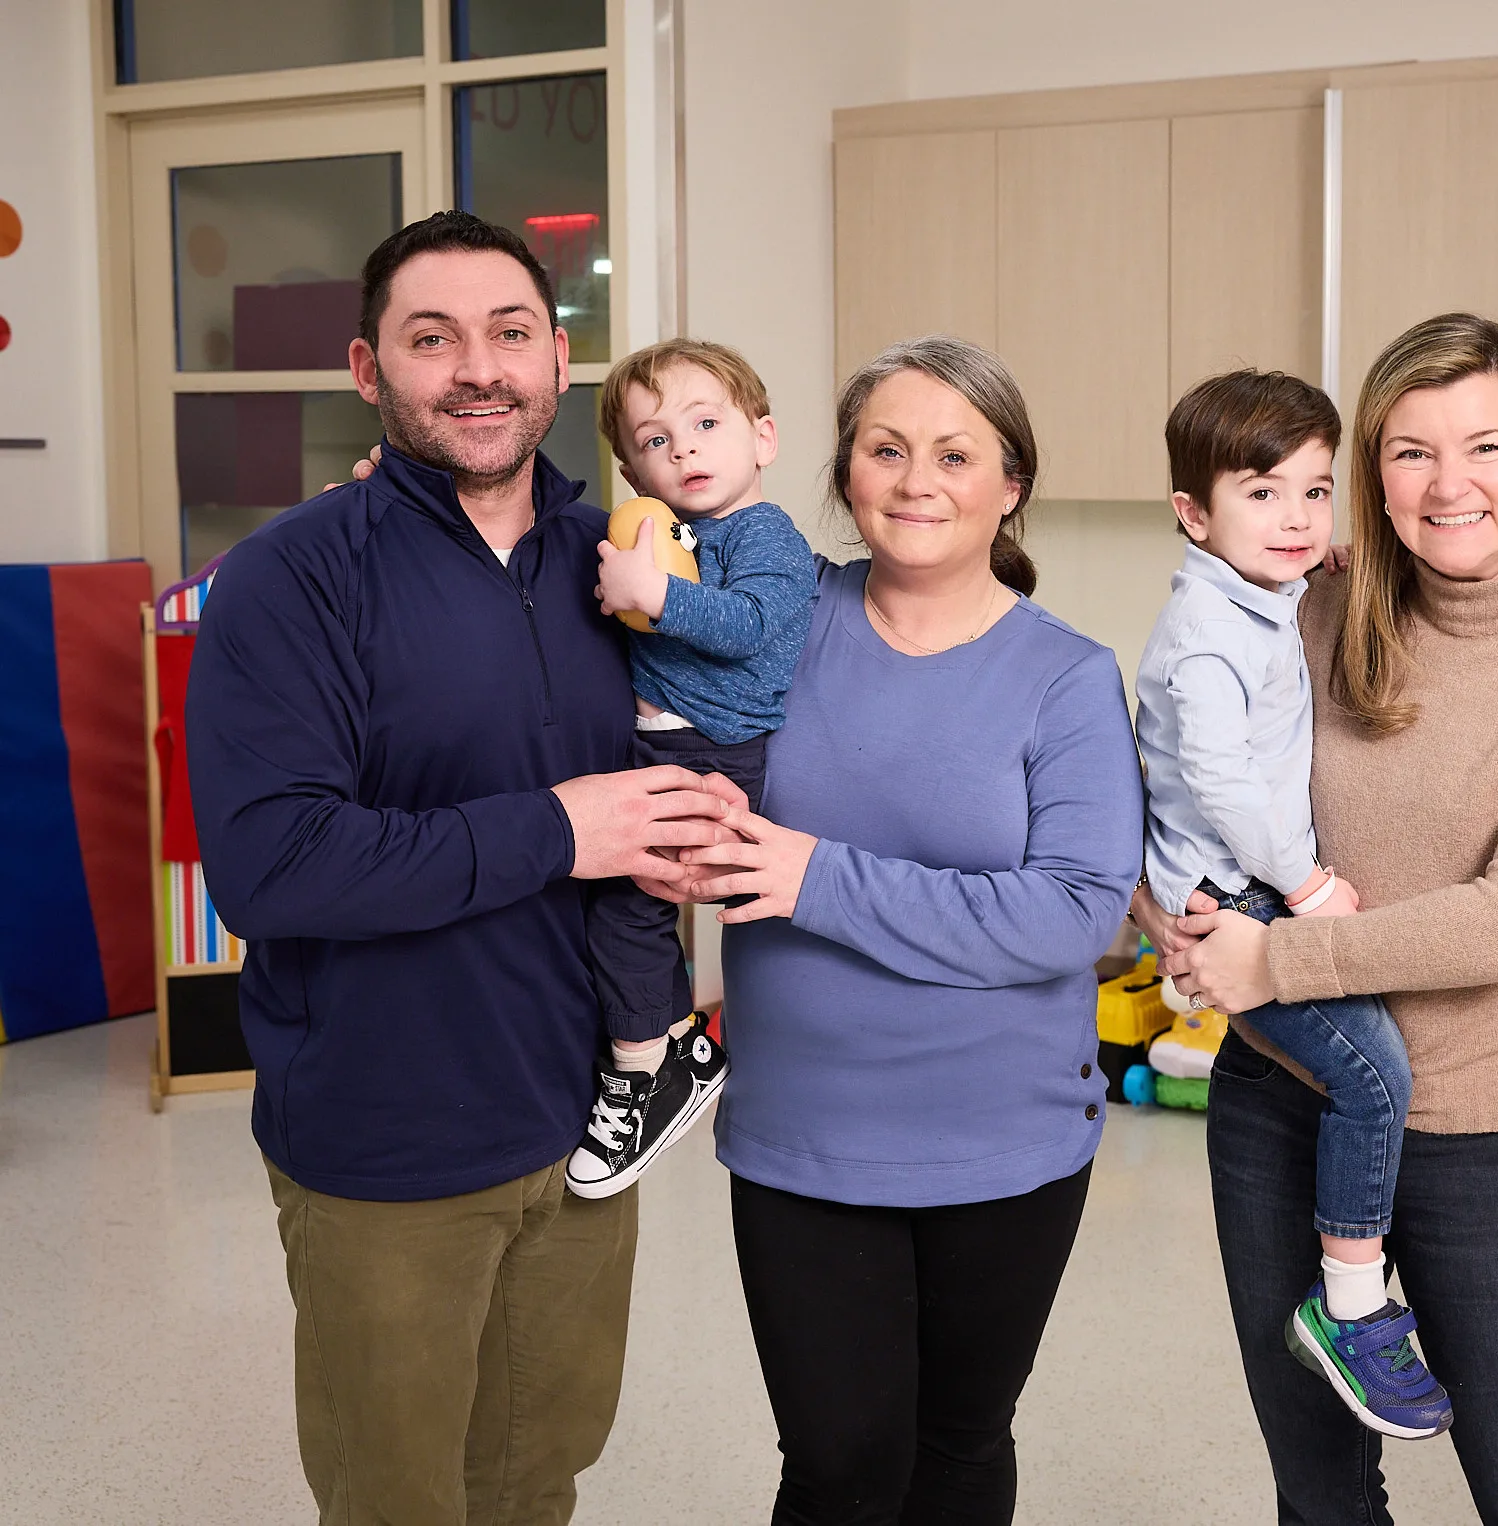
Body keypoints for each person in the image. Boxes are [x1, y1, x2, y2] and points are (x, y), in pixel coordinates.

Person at [185, 210, 735, 1525]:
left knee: (536, 1478)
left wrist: (697, 832)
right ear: (369, 369)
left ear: (559, 359)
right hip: (386, 1142)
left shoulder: (629, 567)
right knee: (397, 1499)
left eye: (508, 334)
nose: (476, 369)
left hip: (591, 1123)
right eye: (431, 339)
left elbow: (695, 758)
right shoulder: (288, 581)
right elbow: (272, 865)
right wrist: (566, 828)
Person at [1146, 313, 1498, 1524]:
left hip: (1485, 1132)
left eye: (1483, 446)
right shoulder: (1310, 608)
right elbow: (1194, 767)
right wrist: (1170, 910)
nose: (1447, 485)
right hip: (1280, 1097)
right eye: (1407, 451)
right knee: (1317, 1488)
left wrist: (1273, 953)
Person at [652, 335, 1144, 1525]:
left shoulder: (1065, 676)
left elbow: (1074, 911)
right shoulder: (774, 622)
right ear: (841, 469)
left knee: (959, 1446)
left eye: (954, 453)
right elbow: (613, 572)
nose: (915, 480)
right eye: (885, 448)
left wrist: (815, 876)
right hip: (802, 1139)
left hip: (1006, 1143)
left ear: (1009, 483)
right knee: (837, 1464)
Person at [1135, 370, 1448, 1440]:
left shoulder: (1259, 595)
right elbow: (1222, 784)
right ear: (1192, 513)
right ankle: (1350, 1306)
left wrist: (1340, 554)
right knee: (1373, 1076)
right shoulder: (1206, 636)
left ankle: (1354, 1290)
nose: (1296, 518)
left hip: (1243, 882)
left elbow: (1303, 563)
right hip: (1235, 896)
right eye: (1262, 493)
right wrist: (1309, 889)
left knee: (1361, 1069)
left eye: (1315, 493)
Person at [563, 337, 819, 1199]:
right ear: (633, 470)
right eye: (655, 441)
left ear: (763, 439)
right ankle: (670, 1040)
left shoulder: (767, 534)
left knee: (628, 908)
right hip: (658, 746)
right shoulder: (663, 532)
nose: (685, 450)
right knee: (615, 900)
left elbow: (749, 625)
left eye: (706, 424)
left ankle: (651, 1065)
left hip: (712, 749)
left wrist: (656, 595)